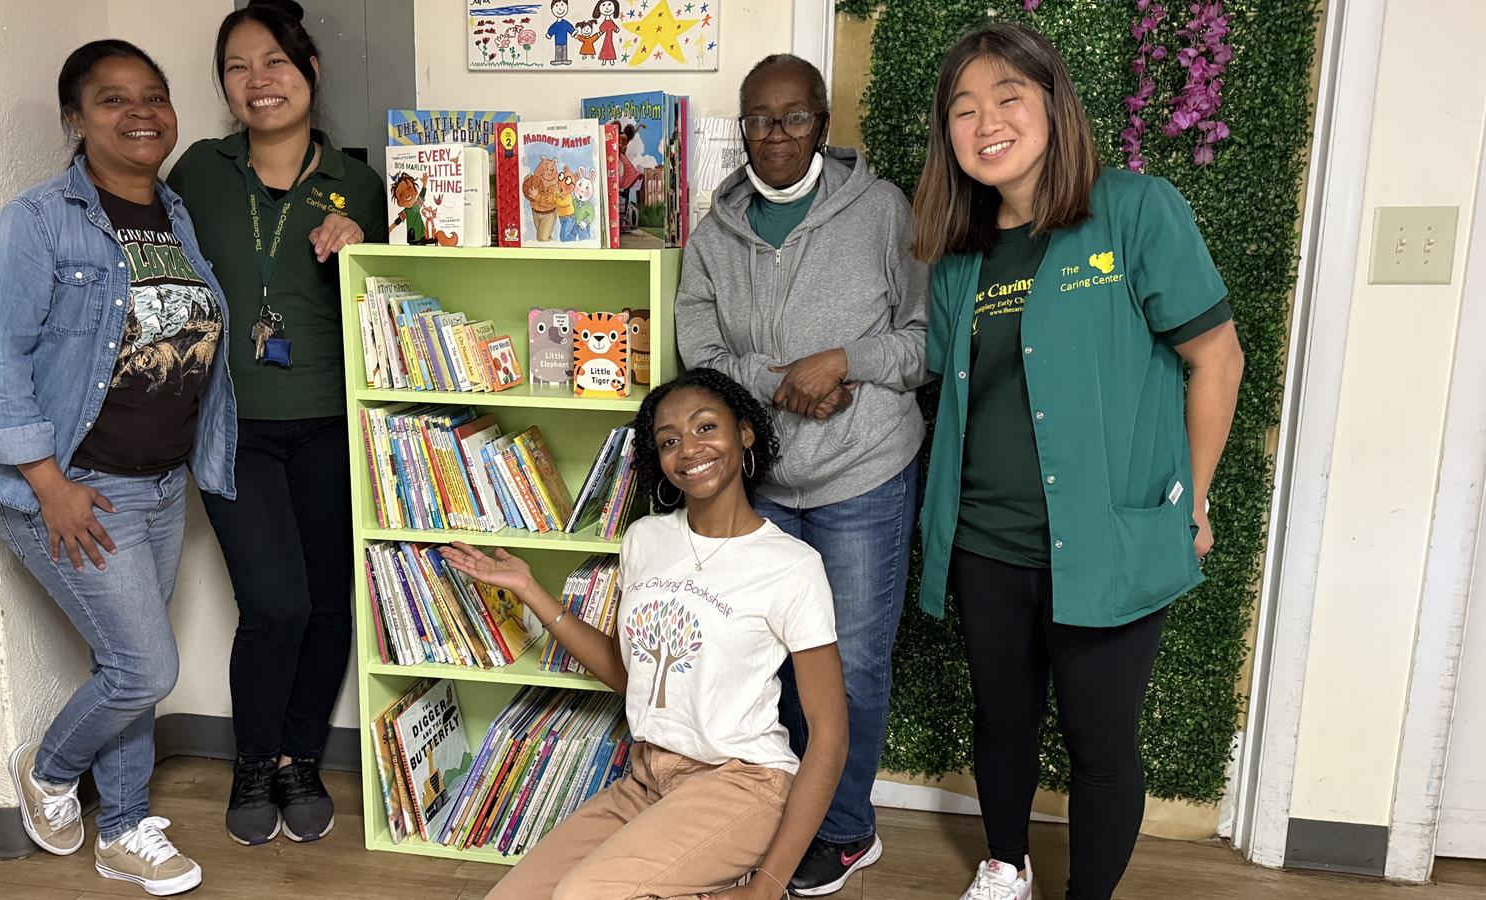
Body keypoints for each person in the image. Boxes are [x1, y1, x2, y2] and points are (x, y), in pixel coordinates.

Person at [909, 23, 1245, 900]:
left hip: (1108, 539)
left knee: (1100, 745)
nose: (987, 122)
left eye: (1008, 98)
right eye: (964, 109)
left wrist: (1195, 500)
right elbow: (951, 392)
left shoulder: (1134, 209)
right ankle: (1004, 864)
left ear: (1054, 106)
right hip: (988, 542)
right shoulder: (960, 257)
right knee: (1003, 722)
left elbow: (1217, 357)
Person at [0, 39, 236, 897]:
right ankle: (48, 772)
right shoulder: (37, 221)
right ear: (74, 120)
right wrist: (48, 485)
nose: (142, 111)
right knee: (145, 670)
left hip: (157, 485)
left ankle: (120, 830)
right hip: (78, 488)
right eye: (113, 99)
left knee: (124, 664)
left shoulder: (174, 214)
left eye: (154, 94)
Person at [442, 368, 848, 900]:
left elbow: (831, 735)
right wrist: (530, 591)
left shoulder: (791, 566)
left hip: (741, 784)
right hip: (647, 779)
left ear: (745, 433)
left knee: (579, 896)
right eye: (669, 441)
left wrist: (768, 888)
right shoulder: (644, 539)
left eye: (706, 427)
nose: (690, 449)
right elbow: (631, 675)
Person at [674, 53, 928, 896]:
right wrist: (789, 383)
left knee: (850, 664)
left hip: (865, 476)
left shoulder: (884, 212)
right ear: (740, 127)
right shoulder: (712, 234)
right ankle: (771, 819)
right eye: (757, 119)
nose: (774, 136)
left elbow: (926, 343)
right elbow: (700, 357)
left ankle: (848, 829)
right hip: (768, 486)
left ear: (823, 122)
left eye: (793, 118)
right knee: (763, 661)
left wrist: (846, 361)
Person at [166, 0, 384, 847]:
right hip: (232, 424)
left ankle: (299, 758)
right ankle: (253, 758)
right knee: (275, 603)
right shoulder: (197, 171)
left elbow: (382, 302)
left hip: (333, 420)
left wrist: (360, 241)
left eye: (276, 63)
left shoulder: (361, 181)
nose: (259, 83)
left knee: (330, 604)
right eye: (237, 67)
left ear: (311, 71)